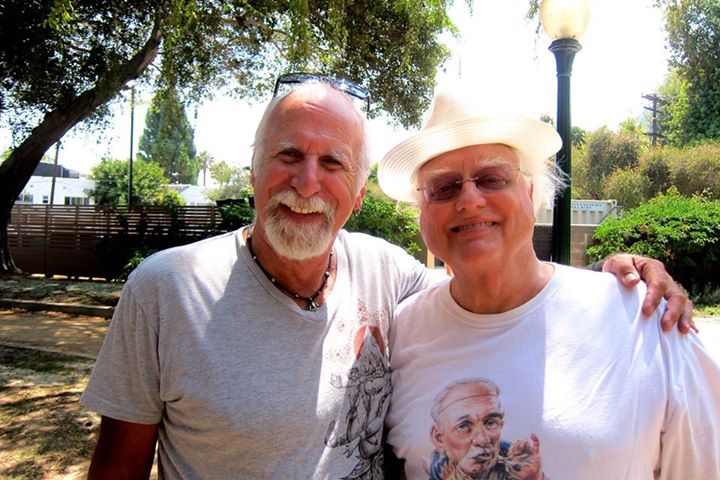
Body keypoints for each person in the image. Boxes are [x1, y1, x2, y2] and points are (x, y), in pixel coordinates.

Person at [82, 73, 692, 479]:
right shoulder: (165, 290)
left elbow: (497, 292)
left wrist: (611, 281)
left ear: (358, 194)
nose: (307, 182)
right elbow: (116, 469)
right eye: (288, 155)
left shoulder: (387, 275)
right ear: (254, 171)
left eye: (333, 162)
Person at [379, 90, 720, 479]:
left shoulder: (645, 318)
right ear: (422, 212)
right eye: (444, 187)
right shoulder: (399, 333)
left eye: (492, 179)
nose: (470, 200)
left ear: (529, 192)